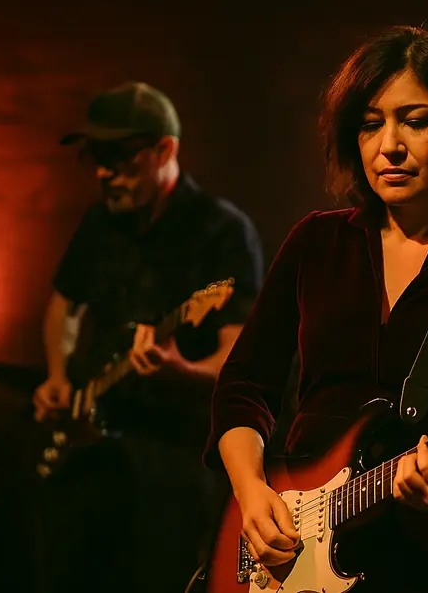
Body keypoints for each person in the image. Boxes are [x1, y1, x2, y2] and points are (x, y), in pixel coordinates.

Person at [204, 25, 428, 593]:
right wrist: (252, 494)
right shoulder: (316, 243)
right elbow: (244, 386)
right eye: (371, 124)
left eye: (416, 121)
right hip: (298, 555)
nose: (388, 146)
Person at [31, 81, 264, 593]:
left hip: (175, 465)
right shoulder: (100, 222)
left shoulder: (221, 231)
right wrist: (56, 376)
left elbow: (240, 362)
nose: (104, 172)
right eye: (95, 157)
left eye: (119, 157)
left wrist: (183, 369)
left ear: (166, 150)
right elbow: (63, 307)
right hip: (92, 451)